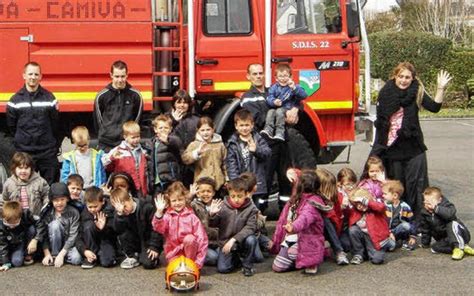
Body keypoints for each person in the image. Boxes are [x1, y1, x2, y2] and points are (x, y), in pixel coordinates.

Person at [371, 62, 452, 219]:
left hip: (414, 148)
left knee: (416, 187)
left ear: (413, 78)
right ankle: (398, 221)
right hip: (393, 149)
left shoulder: (417, 91)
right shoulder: (386, 92)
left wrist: (440, 88)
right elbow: (381, 123)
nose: (403, 80)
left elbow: (434, 107)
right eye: (400, 76)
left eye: (407, 77)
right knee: (397, 188)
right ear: (395, 76)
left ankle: (419, 223)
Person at [6, 62, 59, 184]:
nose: (33, 77)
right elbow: (11, 127)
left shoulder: (49, 98)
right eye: (30, 74)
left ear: (40, 76)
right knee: (24, 188)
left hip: (47, 152)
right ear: (24, 75)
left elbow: (55, 124)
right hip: (25, 152)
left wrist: (52, 146)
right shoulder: (15, 101)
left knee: (51, 188)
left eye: (36, 74)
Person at [270, 170, 325, 274]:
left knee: (293, 255)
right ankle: (298, 261)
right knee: (277, 267)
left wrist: (293, 227)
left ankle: (311, 260)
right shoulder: (296, 198)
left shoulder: (313, 202)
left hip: (305, 240)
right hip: (290, 239)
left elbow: (304, 218)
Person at [209, 178, 259, 276]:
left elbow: (250, 227)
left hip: (241, 241)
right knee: (223, 269)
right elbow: (213, 225)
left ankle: (247, 266)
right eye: (233, 196)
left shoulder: (251, 208)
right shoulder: (223, 206)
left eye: (240, 196)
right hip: (225, 242)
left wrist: (234, 240)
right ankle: (236, 259)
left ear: (246, 194)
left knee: (252, 240)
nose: (236, 199)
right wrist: (212, 215)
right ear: (229, 194)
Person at [153, 181, 208, 269]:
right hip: (173, 252)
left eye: (180, 200)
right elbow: (159, 228)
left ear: (185, 199)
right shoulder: (167, 216)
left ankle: (190, 264)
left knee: (190, 238)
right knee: (176, 273)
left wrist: (198, 262)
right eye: (174, 201)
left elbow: (202, 239)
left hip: (190, 254)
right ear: (169, 201)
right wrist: (159, 213)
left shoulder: (192, 217)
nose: (177, 203)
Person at [226, 109, 271, 211]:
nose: (244, 128)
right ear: (236, 126)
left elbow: (268, 154)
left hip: (257, 184)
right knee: (243, 211)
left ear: (252, 125)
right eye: (241, 125)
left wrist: (256, 150)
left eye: (247, 125)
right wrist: (236, 185)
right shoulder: (232, 143)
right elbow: (231, 166)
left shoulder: (258, 139)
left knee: (258, 210)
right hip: (242, 186)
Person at [94, 60, 143, 152]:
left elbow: (137, 121)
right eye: (117, 76)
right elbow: (98, 122)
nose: (120, 80)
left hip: (127, 144)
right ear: (111, 75)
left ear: (127, 75)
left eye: (122, 76)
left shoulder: (136, 96)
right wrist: (107, 133)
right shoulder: (101, 96)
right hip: (106, 144)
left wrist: (129, 136)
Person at [110, 188, 163, 269]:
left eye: (125, 206)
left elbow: (156, 229)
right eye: (119, 208)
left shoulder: (146, 207)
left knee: (148, 264)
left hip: (147, 241)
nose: (124, 209)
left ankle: (149, 257)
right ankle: (132, 256)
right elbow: (118, 230)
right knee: (123, 233)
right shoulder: (119, 213)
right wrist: (120, 215)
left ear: (130, 198)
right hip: (133, 241)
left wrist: (154, 247)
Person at [418, 187, 474, 260]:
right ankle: (462, 247)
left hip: (460, 233)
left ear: (439, 200)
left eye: (430, 202)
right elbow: (425, 229)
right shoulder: (424, 212)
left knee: (451, 223)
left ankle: (459, 247)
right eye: (425, 201)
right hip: (446, 239)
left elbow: (450, 214)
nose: (427, 204)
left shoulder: (447, 205)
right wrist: (425, 243)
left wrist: (436, 209)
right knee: (435, 248)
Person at [37, 182, 82, 267]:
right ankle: (54, 255)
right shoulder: (47, 213)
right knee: (55, 225)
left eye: (62, 199)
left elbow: (73, 235)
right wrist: (47, 253)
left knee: (77, 259)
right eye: (56, 200)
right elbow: (43, 234)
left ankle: (61, 257)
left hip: (68, 245)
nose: (59, 203)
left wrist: (62, 254)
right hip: (53, 244)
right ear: (51, 201)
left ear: (67, 199)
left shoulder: (74, 212)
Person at [261, 63, 307, 141]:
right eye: (280, 76)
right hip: (276, 108)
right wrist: (274, 101)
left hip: (287, 109)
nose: (283, 79)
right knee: (270, 111)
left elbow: (303, 95)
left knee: (279, 111)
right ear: (276, 78)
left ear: (291, 77)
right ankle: (268, 130)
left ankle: (280, 132)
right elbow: (269, 97)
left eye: (285, 76)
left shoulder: (294, 86)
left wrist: (294, 88)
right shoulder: (274, 87)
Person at [102, 121, 148, 198]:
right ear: (125, 137)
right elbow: (103, 163)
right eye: (133, 137)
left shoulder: (143, 151)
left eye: (138, 136)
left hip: (139, 187)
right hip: (124, 187)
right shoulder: (119, 150)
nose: (136, 140)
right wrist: (112, 157)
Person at [348, 188, 393, 265]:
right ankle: (358, 254)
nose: (359, 207)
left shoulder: (375, 210)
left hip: (374, 239)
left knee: (376, 260)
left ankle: (386, 245)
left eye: (361, 203)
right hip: (362, 237)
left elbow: (381, 207)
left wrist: (366, 202)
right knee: (353, 229)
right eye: (357, 205)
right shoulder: (355, 212)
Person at [182, 116, 227, 192]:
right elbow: (185, 159)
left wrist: (227, 178)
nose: (205, 133)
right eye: (202, 130)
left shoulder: (220, 144)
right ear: (198, 131)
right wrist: (197, 153)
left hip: (219, 183)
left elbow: (225, 163)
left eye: (208, 130)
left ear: (213, 129)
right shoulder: (194, 144)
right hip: (202, 184)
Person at [76, 187, 117, 269]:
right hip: (90, 243)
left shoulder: (109, 211)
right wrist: (84, 251)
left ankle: (103, 255)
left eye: (95, 206)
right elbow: (79, 235)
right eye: (90, 207)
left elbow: (114, 234)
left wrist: (103, 228)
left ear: (102, 202)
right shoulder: (85, 214)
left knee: (107, 262)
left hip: (105, 241)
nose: (93, 209)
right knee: (88, 226)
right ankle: (92, 257)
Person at [315, 168, 349, 265]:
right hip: (317, 230)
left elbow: (338, 218)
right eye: (327, 190)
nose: (330, 193)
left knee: (347, 245)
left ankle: (332, 246)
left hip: (334, 230)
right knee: (325, 219)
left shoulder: (334, 197)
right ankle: (338, 251)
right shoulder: (313, 198)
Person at [1, 152, 49, 218]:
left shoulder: (40, 181)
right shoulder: (9, 183)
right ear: (14, 168)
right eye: (20, 168)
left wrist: (44, 211)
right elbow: (4, 201)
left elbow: (47, 196)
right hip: (15, 219)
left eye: (26, 168)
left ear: (31, 169)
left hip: (35, 218)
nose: (23, 171)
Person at [146, 114, 183, 195]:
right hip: (156, 182)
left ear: (170, 129)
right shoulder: (151, 143)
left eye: (166, 128)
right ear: (155, 129)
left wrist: (167, 140)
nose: (163, 130)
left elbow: (177, 145)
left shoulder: (173, 139)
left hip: (170, 180)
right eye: (160, 128)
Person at [190, 177, 221, 266]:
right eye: (202, 191)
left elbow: (221, 226)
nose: (206, 194)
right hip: (202, 243)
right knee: (214, 258)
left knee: (224, 256)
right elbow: (185, 207)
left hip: (216, 241)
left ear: (213, 193)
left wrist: (214, 216)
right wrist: (190, 196)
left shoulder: (218, 204)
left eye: (208, 191)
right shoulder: (194, 205)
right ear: (198, 193)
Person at [0, 201, 38, 271]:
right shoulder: (1, 226)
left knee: (17, 262)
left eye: (14, 223)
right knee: (6, 258)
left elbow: (40, 223)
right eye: (8, 224)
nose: (11, 226)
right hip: (7, 245)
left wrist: (35, 239)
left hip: (19, 243)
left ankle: (27, 253)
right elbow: (2, 245)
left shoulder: (26, 215)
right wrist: (6, 263)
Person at [382, 180, 416, 250]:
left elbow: (412, 221)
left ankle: (405, 241)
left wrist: (413, 235)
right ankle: (395, 242)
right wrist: (389, 232)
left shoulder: (405, 207)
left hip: (398, 230)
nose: (382, 195)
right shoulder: (383, 206)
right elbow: (381, 223)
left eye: (385, 194)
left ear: (395, 195)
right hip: (386, 232)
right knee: (391, 247)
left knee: (406, 225)